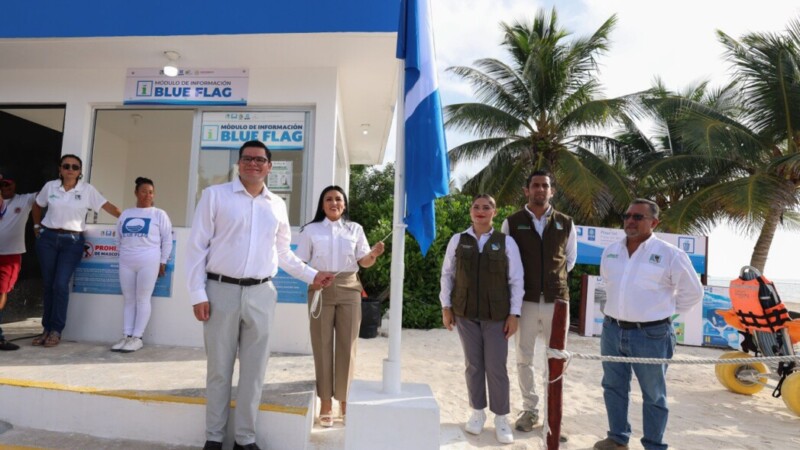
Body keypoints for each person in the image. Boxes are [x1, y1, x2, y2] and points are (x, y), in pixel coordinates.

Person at [186, 140, 334, 450]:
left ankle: (245, 439)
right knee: (219, 370)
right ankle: (214, 437)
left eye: (260, 160)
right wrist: (197, 292)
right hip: (219, 291)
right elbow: (197, 247)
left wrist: (312, 275)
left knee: (254, 372)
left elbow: (283, 253)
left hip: (262, 293)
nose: (253, 164)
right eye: (247, 159)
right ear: (238, 163)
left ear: (269, 166)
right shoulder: (214, 196)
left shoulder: (277, 205)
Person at [593, 199, 703, 450]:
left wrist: (664, 316)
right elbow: (609, 286)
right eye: (627, 215)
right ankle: (617, 438)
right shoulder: (610, 250)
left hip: (652, 335)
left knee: (654, 394)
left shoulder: (671, 254)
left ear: (654, 223)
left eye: (638, 217)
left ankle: (654, 445)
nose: (630, 220)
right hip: (612, 330)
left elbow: (693, 293)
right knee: (612, 386)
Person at [294, 185, 385, 427]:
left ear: (344, 204)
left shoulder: (355, 229)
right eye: (329, 199)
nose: (334, 202)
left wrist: (374, 254)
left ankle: (344, 401)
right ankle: (325, 402)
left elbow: (363, 261)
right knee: (322, 345)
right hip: (320, 286)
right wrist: (314, 276)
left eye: (338, 199)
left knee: (348, 344)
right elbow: (300, 261)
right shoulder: (310, 230)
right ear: (322, 205)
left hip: (349, 288)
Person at [440, 194, 524, 444]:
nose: (480, 211)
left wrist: (514, 314)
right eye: (476, 207)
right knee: (473, 365)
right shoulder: (458, 240)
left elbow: (516, 280)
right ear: (470, 212)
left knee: (496, 366)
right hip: (465, 314)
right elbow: (447, 275)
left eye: (486, 207)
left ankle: (501, 418)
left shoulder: (506, 242)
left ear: (494, 213)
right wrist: (446, 307)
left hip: (497, 315)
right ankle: (477, 412)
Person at [500, 170, 576, 434]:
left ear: (552, 191)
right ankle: (530, 410)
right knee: (524, 358)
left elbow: (570, 260)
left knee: (554, 359)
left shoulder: (565, 222)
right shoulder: (512, 222)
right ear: (526, 190)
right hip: (526, 301)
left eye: (545, 185)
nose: (540, 189)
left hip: (558, 302)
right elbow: (507, 264)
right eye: (535, 185)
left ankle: (552, 417)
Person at [31, 154, 121, 348]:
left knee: (60, 284)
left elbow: (108, 207)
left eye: (75, 167)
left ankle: (56, 330)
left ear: (80, 172)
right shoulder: (50, 187)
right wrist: (37, 227)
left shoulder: (87, 190)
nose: (70, 169)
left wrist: (128, 217)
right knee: (48, 285)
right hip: (47, 239)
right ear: (60, 169)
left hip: (72, 242)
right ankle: (46, 329)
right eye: (66, 166)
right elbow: (37, 206)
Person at [111, 177, 173, 353]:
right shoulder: (126, 214)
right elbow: (118, 238)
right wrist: (123, 255)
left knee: (142, 299)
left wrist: (163, 261)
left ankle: (137, 337)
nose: (148, 195)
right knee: (129, 299)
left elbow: (167, 240)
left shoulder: (159, 214)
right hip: (127, 262)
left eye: (151, 192)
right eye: (144, 191)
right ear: (136, 193)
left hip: (149, 261)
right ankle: (126, 335)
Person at [0, 170, 37, 351]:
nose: (5, 187)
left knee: (1, 292)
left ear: (15, 184)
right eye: (1, 184)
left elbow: (49, 193)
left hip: (9, 255)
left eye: (7, 183)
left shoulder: (24, 199)